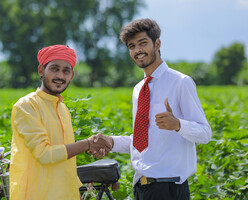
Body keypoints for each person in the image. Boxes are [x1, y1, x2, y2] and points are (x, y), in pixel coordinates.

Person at [90, 18, 212, 200]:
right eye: (131, 46)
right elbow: (142, 140)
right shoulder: (139, 89)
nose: (137, 50)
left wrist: (178, 124)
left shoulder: (180, 82)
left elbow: (205, 133)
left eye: (142, 43)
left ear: (157, 43)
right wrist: (111, 142)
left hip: (169, 189)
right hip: (142, 187)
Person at [9, 45, 112, 200]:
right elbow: (44, 155)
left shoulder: (63, 109)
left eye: (66, 71)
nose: (60, 76)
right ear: (41, 70)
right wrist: (87, 144)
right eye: (54, 69)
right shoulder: (27, 106)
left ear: (72, 75)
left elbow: (64, 159)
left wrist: (93, 151)